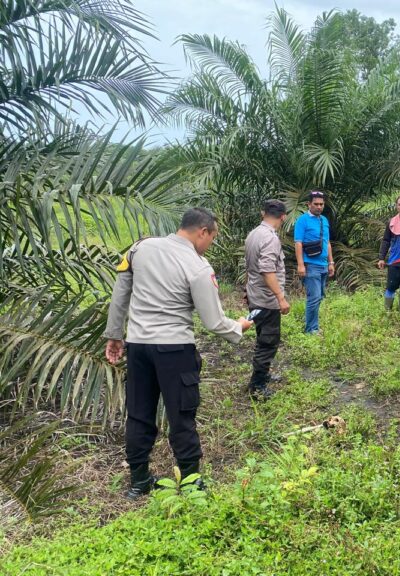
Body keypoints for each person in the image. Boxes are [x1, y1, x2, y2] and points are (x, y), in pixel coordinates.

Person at [103, 207, 253, 499]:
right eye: (212, 237)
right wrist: (239, 327)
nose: (211, 244)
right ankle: (191, 481)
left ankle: (138, 481)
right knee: (181, 414)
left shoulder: (140, 249)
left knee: (139, 412)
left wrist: (114, 335)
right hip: (175, 349)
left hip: (138, 347)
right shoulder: (198, 266)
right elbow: (213, 322)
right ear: (202, 232)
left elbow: (121, 292)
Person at [244, 199, 290, 400]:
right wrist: (281, 297)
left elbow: (249, 266)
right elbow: (267, 270)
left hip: (256, 295)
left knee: (263, 338)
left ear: (263, 213)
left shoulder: (253, 234)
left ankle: (263, 374)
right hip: (267, 299)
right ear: (283, 217)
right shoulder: (270, 239)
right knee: (268, 342)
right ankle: (257, 386)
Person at [294, 190, 334, 334]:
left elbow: (327, 242)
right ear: (308, 204)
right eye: (316, 204)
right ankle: (311, 329)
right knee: (314, 297)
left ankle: (313, 325)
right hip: (310, 264)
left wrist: (331, 262)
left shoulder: (324, 220)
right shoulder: (302, 220)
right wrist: (300, 264)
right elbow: (298, 243)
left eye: (321, 204)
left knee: (320, 296)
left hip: (323, 264)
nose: (319, 207)